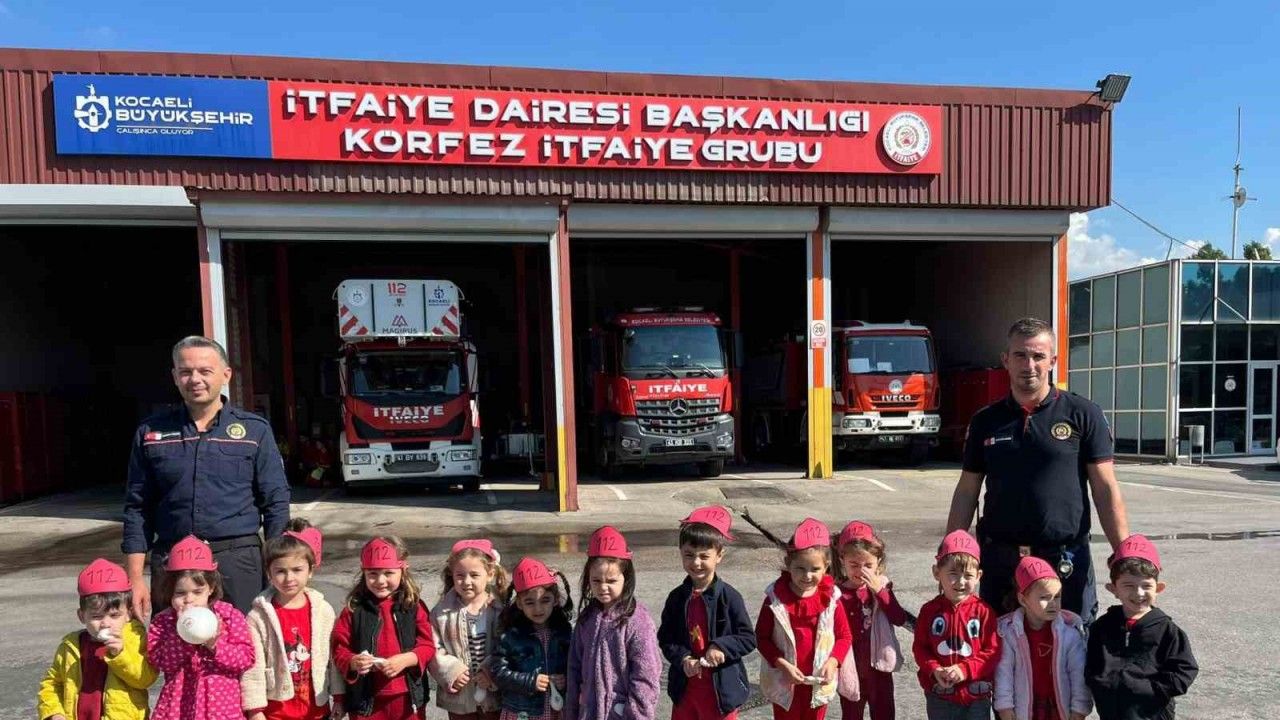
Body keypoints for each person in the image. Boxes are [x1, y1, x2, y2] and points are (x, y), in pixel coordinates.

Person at [946, 317, 1130, 621]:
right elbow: (967, 490)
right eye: (1020, 355)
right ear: (1005, 360)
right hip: (1002, 562)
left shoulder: (1084, 414)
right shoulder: (985, 421)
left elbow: (1105, 489)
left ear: (1053, 361)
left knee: (1072, 643)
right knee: (999, 644)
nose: (1029, 365)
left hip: (1065, 559)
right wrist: (951, 549)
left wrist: (1124, 554)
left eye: (1038, 356)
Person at [123, 335, 291, 618]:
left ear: (226, 375)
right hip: (173, 564)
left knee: (244, 642)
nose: (195, 379)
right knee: (174, 644)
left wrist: (279, 567)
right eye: (186, 372)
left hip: (238, 564)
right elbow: (137, 508)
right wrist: (135, 578)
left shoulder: (255, 431)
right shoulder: (151, 433)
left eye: (205, 371)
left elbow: (276, 503)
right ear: (175, 377)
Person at [657, 506, 757, 720]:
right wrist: (683, 657)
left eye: (704, 556)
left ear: (719, 555)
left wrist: (721, 646)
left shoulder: (729, 597)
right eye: (689, 555)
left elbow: (748, 638)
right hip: (686, 692)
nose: (696, 563)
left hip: (721, 694)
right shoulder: (676, 598)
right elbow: (666, 638)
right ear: (680, 553)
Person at [1085, 535, 1197, 720]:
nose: (1138, 593)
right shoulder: (1101, 627)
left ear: (1158, 588)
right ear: (1113, 589)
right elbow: (1090, 663)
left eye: (1146, 586)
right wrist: (1101, 684)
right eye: (1128, 585)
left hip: (1152, 714)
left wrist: (1153, 690)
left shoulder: (1168, 631)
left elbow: (1185, 669)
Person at [147, 535, 256, 720]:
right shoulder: (163, 622)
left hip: (221, 708)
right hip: (178, 708)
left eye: (197, 592)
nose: (189, 599)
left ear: (211, 588)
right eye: (180, 593)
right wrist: (181, 633)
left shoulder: (229, 616)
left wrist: (215, 645)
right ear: (169, 592)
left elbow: (246, 659)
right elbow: (160, 661)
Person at [755, 518, 853, 720]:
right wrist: (782, 664)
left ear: (826, 567)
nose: (807, 576)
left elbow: (844, 636)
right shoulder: (775, 599)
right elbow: (761, 638)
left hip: (818, 683)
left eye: (815, 569)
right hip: (784, 682)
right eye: (800, 568)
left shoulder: (831, 599)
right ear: (788, 564)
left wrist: (833, 661)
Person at [37, 559, 157, 720]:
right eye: (96, 617)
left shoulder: (134, 639)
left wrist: (120, 654)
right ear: (81, 616)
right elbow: (52, 683)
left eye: (114, 615)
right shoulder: (71, 646)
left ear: (128, 614)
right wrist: (54, 712)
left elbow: (145, 679)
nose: (106, 623)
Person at [331, 537, 436, 720]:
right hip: (365, 701)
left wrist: (407, 659)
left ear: (403, 570)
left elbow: (428, 646)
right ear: (364, 572)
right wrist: (353, 661)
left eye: (388, 573)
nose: (380, 580)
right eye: (373, 573)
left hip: (407, 699)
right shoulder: (353, 610)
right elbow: (339, 649)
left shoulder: (413, 606)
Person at [242, 519, 337, 720]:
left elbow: (333, 660)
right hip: (276, 713)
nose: (289, 578)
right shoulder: (258, 617)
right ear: (269, 574)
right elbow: (253, 667)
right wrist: (255, 710)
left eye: (297, 569)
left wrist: (340, 697)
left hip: (316, 711)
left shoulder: (323, 611)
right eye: (280, 571)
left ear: (310, 571)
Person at [564, 526, 661, 720]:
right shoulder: (587, 619)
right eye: (596, 581)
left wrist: (636, 716)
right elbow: (574, 669)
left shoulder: (637, 621)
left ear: (626, 578)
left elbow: (646, 677)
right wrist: (571, 712)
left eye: (611, 581)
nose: (603, 587)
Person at [912, 530, 1000, 720]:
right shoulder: (929, 611)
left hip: (976, 695)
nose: (961, 582)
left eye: (968, 575)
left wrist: (964, 669)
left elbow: (992, 651)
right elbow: (920, 648)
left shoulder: (984, 611)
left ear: (979, 576)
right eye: (953, 573)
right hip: (940, 695)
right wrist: (934, 669)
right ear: (937, 573)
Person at [993, 556, 1091, 720]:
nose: (1053, 603)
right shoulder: (1010, 634)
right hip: (1025, 709)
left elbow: (1078, 673)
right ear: (1023, 599)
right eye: (1044, 597)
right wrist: (1004, 706)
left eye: (1057, 596)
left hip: (1059, 709)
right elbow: (1004, 671)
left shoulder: (1069, 635)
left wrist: (1079, 708)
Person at [834, 521, 911, 720]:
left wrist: (880, 592)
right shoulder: (837, 594)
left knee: (884, 714)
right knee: (851, 715)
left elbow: (898, 617)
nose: (861, 571)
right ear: (842, 560)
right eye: (854, 565)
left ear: (878, 562)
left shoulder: (881, 588)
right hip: (851, 668)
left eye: (868, 565)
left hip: (879, 670)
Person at [429, 539, 509, 720]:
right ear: (452, 575)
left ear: (490, 574)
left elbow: (508, 647)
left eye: (474, 575)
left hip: (494, 695)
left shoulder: (500, 610)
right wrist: (451, 671)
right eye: (460, 575)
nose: (466, 582)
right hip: (459, 698)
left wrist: (491, 672)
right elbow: (432, 648)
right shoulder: (441, 612)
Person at [492, 557, 574, 720]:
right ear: (519, 603)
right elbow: (497, 672)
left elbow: (575, 665)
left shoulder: (564, 632)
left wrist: (565, 678)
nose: (538, 609)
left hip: (556, 710)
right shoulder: (511, 635)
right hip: (522, 712)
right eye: (530, 602)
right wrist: (529, 681)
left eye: (545, 600)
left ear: (555, 600)